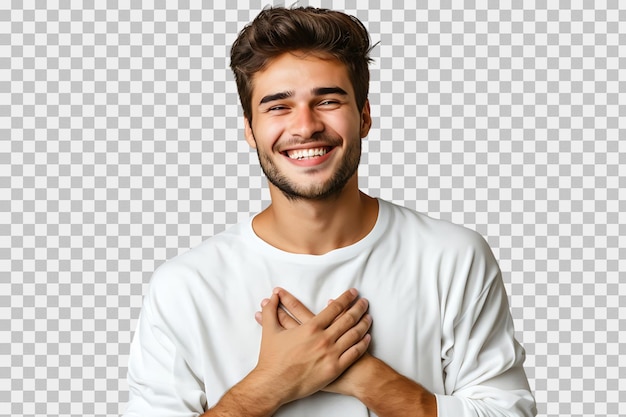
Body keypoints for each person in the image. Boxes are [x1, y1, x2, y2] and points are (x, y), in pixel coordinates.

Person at [124, 6, 537, 417]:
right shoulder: (184, 286)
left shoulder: (452, 258)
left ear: (364, 116)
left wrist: (370, 380)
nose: (305, 126)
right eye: (278, 106)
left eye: (327, 100)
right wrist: (271, 384)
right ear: (250, 129)